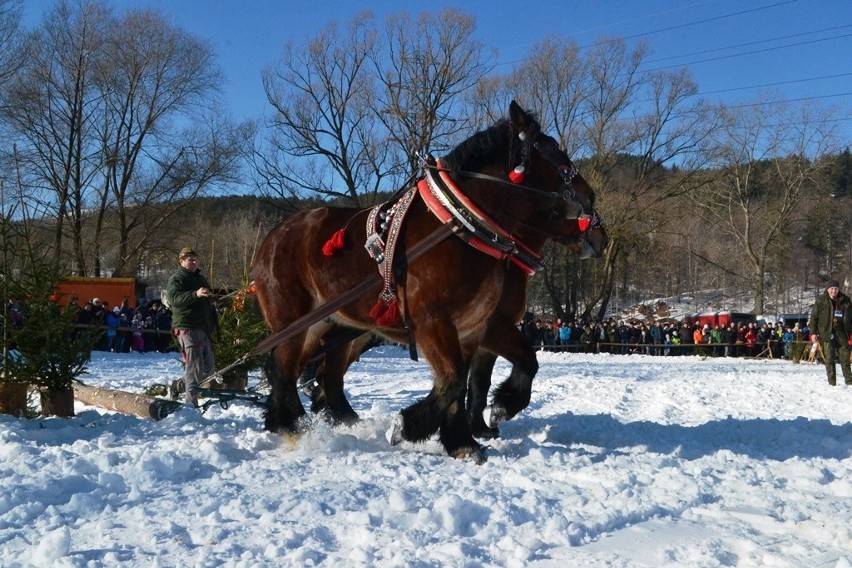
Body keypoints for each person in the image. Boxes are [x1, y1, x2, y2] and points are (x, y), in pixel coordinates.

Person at [167, 247, 218, 406]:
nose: (194, 261)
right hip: (187, 327)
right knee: (195, 367)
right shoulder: (177, 279)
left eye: (195, 259)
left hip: (203, 327)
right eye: (190, 259)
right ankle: (191, 403)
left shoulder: (201, 279)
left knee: (209, 368)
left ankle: (178, 386)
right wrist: (195, 294)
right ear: (181, 261)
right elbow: (174, 299)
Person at [809, 279, 852, 386]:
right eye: (832, 289)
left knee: (845, 358)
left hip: (843, 332)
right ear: (828, 289)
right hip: (826, 332)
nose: (834, 291)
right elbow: (814, 317)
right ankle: (832, 382)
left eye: (836, 288)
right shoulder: (821, 300)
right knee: (829, 358)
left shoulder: (846, 300)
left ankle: (849, 381)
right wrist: (813, 333)